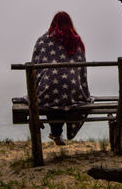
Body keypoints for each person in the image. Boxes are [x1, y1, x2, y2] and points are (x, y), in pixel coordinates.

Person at [32, 11, 92, 145]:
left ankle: (56, 133)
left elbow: (35, 67)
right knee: (65, 94)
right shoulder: (76, 41)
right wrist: (83, 92)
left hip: (48, 90)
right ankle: (57, 134)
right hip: (72, 89)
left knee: (51, 92)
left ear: (53, 24)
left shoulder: (42, 40)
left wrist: (35, 90)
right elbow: (82, 71)